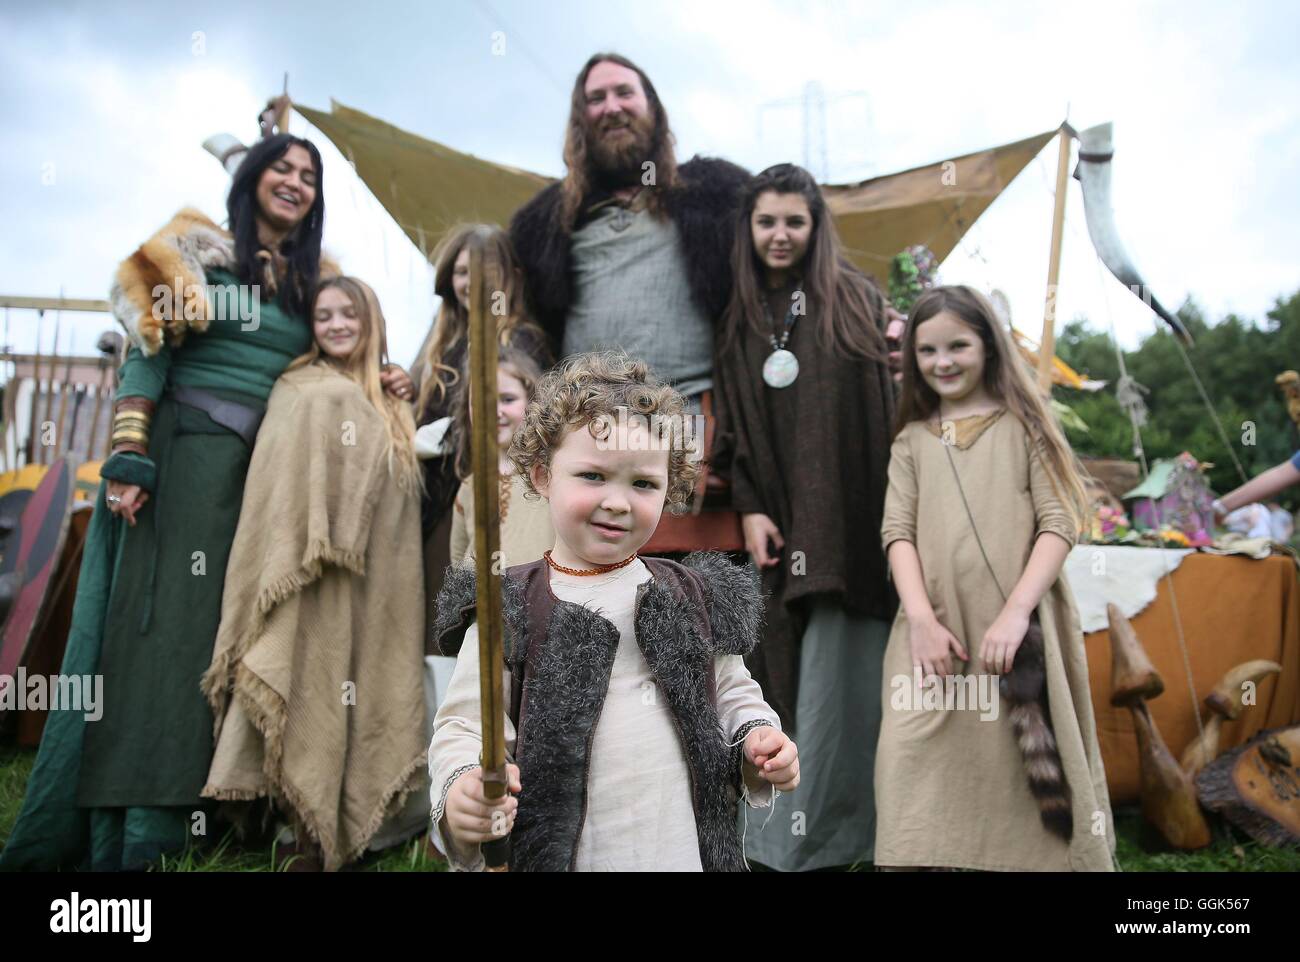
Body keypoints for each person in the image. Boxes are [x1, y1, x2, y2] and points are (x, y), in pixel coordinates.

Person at [0, 134, 411, 871]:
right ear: (252, 177)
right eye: (282, 168)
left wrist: (386, 379)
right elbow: (147, 349)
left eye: (310, 175)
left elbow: (337, 353)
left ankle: (218, 812)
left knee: (231, 642)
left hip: (261, 485)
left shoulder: (316, 282)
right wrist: (129, 454)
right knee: (163, 645)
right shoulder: (188, 254)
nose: (296, 182)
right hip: (183, 465)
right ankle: (139, 834)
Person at [428, 352, 799, 871]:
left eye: (643, 483)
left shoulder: (690, 596)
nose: (619, 502)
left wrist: (759, 738)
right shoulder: (509, 606)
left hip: (677, 845)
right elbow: (467, 727)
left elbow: (733, 694)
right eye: (593, 476)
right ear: (541, 476)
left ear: (670, 489)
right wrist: (464, 785)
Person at [874, 285, 1114, 871]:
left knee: (1017, 753)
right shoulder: (911, 440)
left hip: (1016, 618)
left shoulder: (1025, 424)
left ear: (988, 345)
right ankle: (922, 857)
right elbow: (896, 533)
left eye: (958, 345)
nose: (943, 362)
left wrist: (1016, 613)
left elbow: (1060, 522)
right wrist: (922, 621)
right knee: (910, 750)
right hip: (936, 624)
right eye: (927, 351)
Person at [201, 276, 427, 872]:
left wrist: (396, 389)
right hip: (307, 574)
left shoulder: (394, 397)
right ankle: (300, 830)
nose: (335, 325)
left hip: (378, 580)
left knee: (369, 682)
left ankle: (357, 827)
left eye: (347, 313)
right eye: (323, 315)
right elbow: (278, 490)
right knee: (309, 680)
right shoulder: (299, 389)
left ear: (370, 318)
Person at [711, 164, 896, 871]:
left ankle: (850, 835)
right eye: (767, 222)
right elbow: (732, 423)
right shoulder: (739, 315)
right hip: (777, 525)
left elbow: (877, 414)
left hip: (847, 522)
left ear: (816, 226)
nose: (780, 235)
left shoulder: (854, 298)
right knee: (778, 672)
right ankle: (779, 840)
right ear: (748, 230)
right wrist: (751, 506)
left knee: (839, 683)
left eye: (795, 220)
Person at [509, 53, 751, 551]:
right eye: (595, 99)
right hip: (588, 422)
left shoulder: (715, 193)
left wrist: (880, 317)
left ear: (653, 108)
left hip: (688, 417)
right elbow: (506, 313)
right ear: (580, 120)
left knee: (691, 591)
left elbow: (801, 253)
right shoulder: (547, 222)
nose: (611, 107)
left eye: (624, 93)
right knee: (595, 589)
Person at [410, 225, 551, 637]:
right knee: (447, 625)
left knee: (499, 623)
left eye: (483, 269)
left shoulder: (523, 342)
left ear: (508, 273)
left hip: (501, 499)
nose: (471, 281)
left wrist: (438, 436)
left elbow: (529, 422)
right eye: (460, 271)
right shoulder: (441, 345)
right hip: (440, 500)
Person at [447, 347, 553, 569]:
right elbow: (458, 559)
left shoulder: (550, 475)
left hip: (539, 598)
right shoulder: (470, 486)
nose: (495, 411)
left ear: (532, 402)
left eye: (507, 399)